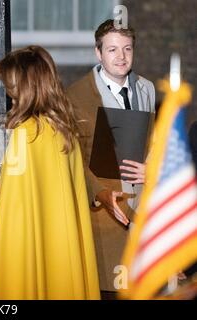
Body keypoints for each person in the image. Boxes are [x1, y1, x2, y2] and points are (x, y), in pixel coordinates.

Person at [0, 46, 100, 299]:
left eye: (10, 85)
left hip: (34, 246)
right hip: (61, 247)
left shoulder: (27, 132)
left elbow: (9, 189)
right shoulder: (63, 128)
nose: (9, 93)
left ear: (23, 86)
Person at [66, 19, 156, 295]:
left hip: (143, 209)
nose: (121, 57)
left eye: (127, 49)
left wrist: (152, 166)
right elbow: (73, 158)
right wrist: (100, 193)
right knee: (106, 290)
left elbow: (152, 142)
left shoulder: (147, 88)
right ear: (98, 52)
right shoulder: (74, 96)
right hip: (103, 213)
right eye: (112, 49)